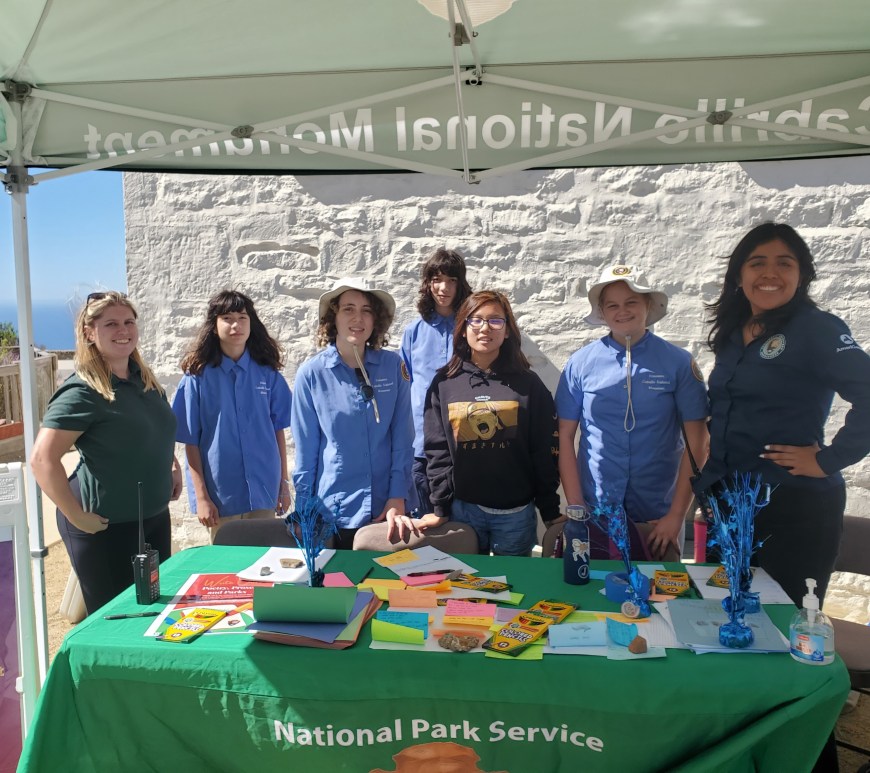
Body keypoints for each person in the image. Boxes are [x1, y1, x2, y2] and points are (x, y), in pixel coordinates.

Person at [697, 223, 870, 606]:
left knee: (784, 622)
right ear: (739, 276)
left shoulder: (817, 329)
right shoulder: (732, 333)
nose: (770, 273)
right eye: (757, 263)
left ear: (802, 275)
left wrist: (828, 460)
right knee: (721, 615)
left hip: (794, 505)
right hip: (729, 500)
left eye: (784, 263)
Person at [30, 292, 181, 614]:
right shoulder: (83, 391)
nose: (122, 330)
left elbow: (158, 429)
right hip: (103, 525)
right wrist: (76, 515)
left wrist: (173, 465)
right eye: (110, 324)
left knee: (155, 611)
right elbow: (42, 459)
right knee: (116, 618)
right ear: (89, 331)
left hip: (152, 517)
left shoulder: (146, 381)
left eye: (128, 322)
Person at [556, 265, 709, 561]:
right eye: (612, 305)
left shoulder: (678, 363)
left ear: (648, 305)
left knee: (657, 600)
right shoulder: (580, 363)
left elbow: (697, 444)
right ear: (601, 311)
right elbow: (564, 438)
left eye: (631, 302)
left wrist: (677, 515)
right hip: (595, 511)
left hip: (657, 516)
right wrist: (576, 506)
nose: (622, 311)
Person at [424, 290, 560, 556]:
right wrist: (440, 507)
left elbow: (544, 451)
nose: (485, 328)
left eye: (496, 320)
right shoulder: (444, 383)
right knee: (464, 591)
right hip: (463, 512)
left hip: (515, 516)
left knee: (514, 589)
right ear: (463, 329)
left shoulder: (528, 384)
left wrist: (550, 510)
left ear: (507, 330)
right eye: (476, 320)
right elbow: (437, 450)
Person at [291, 278, 415, 547]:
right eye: (348, 308)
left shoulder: (394, 367)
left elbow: (403, 439)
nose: (358, 318)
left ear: (376, 320)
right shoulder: (311, 374)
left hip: (386, 512)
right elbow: (306, 451)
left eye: (367, 310)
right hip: (332, 512)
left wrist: (397, 496)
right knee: (336, 587)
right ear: (333, 317)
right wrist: (304, 510)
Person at [172, 290, 292, 542]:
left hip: (264, 489)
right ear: (214, 326)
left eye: (242, 317)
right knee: (227, 568)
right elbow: (190, 442)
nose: (236, 324)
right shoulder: (197, 378)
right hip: (221, 494)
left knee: (264, 564)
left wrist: (283, 485)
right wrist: (202, 497)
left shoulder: (267, 374)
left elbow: (277, 430)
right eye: (227, 318)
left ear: (251, 324)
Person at [400, 248, 472, 532]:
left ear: (460, 283)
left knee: (463, 531)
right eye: (437, 279)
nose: (444, 288)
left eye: (451, 280)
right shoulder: (413, 333)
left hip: (466, 444)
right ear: (428, 283)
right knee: (426, 528)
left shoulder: (471, 328)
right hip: (421, 447)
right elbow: (405, 390)